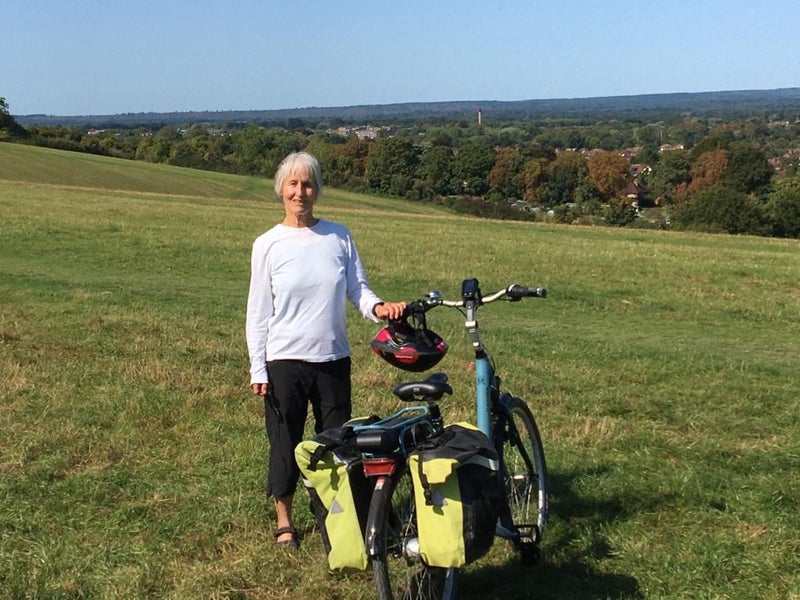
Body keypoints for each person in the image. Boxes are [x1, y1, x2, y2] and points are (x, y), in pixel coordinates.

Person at [245, 151, 406, 548]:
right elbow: (258, 311)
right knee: (285, 443)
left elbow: (358, 289)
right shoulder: (267, 244)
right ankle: (284, 518)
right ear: (281, 189)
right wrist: (257, 368)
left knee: (337, 444)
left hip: (333, 358)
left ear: (317, 190)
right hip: (284, 361)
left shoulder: (339, 236)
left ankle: (334, 515)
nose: (300, 192)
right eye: (293, 184)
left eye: (308, 184)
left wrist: (379, 308)